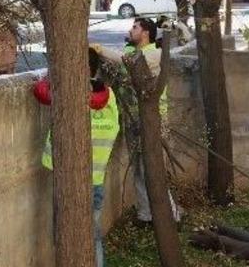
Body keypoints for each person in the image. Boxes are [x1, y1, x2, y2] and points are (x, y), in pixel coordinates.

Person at [91, 18, 181, 226]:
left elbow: (125, 63)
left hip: (152, 120)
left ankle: (172, 215)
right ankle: (145, 215)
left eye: (135, 27)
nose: (130, 30)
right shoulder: (133, 52)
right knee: (139, 170)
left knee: (153, 169)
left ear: (146, 32)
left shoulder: (153, 54)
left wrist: (100, 49)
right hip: (133, 120)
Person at [33, 48, 119, 267]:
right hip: (96, 180)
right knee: (94, 237)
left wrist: (51, 79)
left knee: (67, 236)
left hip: (69, 181)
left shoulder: (68, 94)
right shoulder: (110, 97)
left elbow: (40, 90)